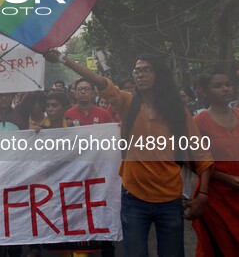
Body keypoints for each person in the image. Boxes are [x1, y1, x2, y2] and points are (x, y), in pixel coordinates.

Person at [44, 49, 213, 257]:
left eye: (146, 70)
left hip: (170, 200)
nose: (139, 74)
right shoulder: (127, 103)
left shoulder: (178, 111)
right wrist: (63, 59)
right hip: (134, 200)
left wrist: (203, 195)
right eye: (136, 70)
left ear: (159, 74)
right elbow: (100, 81)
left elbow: (201, 156)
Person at [192, 71, 239, 256]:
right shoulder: (199, 122)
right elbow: (193, 163)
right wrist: (227, 178)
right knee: (220, 247)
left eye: (227, 84)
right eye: (218, 86)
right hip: (215, 196)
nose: (225, 89)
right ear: (205, 92)